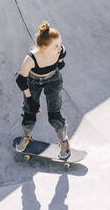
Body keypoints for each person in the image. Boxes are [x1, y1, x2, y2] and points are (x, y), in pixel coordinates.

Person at [15, 21, 70, 159]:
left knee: (54, 114)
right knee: (29, 112)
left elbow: (62, 55)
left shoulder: (60, 51)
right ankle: (26, 136)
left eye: (60, 44)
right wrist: (30, 100)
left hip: (53, 80)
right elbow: (21, 80)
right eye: (56, 46)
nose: (60, 48)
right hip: (32, 83)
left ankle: (64, 141)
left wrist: (60, 62)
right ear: (44, 47)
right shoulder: (31, 59)